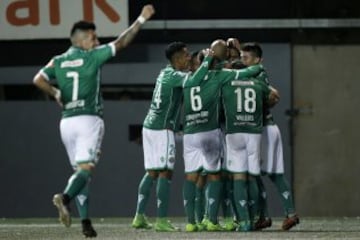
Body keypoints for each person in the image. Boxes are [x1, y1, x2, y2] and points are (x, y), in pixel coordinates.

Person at [32, 5, 155, 238]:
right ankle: (64, 198)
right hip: (89, 119)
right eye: (94, 37)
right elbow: (121, 42)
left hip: (66, 122)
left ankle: (86, 222)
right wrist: (140, 19)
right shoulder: (92, 56)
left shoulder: (58, 60)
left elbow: (38, 79)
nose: (97, 40)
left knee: (80, 174)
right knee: (86, 169)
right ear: (83, 39)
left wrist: (56, 93)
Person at [182, 40, 265, 232]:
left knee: (192, 177)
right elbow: (247, 72)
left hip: (190, 132)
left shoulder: (186, 79)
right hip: (211, 130)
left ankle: (192, 221)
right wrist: (258, 63)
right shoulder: (219, 75)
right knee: (217, 176)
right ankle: (214, 219)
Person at [131, 42, 211, 232]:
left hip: (149, 126)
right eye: (185, 55)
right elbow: (192, 82)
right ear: (177, 59)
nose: (189, 57)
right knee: (165, 173)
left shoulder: (164, 73)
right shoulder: (175, 76)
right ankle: (161, 220)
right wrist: (207, 61)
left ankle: (139, 216)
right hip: (162, 129)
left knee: (152, 172)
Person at [240, 42, 300, 231]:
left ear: (258, 60)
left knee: (269, 174)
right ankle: (265, 216)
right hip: (260, 130)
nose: (243, 60)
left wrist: (269, 97)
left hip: (265, 130)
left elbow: (273, 95)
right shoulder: (249, 73)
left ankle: (289, 214)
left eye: (246, 57)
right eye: (242, 57)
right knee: (257, 174)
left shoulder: (258, 74)